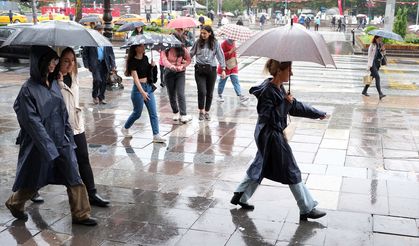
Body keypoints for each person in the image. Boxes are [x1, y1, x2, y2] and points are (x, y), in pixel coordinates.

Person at [5, 46, 97, 226]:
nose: (53, 65)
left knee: (73, 174)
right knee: (35, 179)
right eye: (50, 62)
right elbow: (33, 124)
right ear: (39, 64)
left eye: (54, 61)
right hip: (40, 145)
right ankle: (15, 203)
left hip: (61, 140)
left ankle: (81, 214)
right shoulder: (27, 90)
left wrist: (68, 136)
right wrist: (48, 147)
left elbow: (62, 112)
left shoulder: (54, 83)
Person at [231, 60, 328, 221]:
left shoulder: (278, 88)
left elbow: (295, 107)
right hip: (270, 135)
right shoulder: (268, 91)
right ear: (279, 72)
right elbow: (269, 116)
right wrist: (285, 103)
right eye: (289, 70)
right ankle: (307, 208)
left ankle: (240, 195)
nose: (291, 73)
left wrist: (317, 113)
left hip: (268, 134)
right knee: (291, 170)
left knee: (260, 164)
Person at [54, 47, 110, 207]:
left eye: (72, 60)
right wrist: (57, 80)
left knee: (83, 159)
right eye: (66, 61)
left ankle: (92, 194)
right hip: (61, 129)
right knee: (48, 163)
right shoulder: (52, 81)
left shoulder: (74, 76)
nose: (70, 64)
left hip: (77, 125)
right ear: (58, 61)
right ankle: (27, 193)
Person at [121, 44, 166, 143]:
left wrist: (153, 67)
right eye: (141, 46)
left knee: (153, 113)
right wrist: (142, 92)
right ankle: (125, 128)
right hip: (138, 90)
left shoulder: (145, 58)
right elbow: (136, 79)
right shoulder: (132, 61)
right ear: (136, 48)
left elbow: (151, 76)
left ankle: (156, 135)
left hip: (149, 88)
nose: (144, 47)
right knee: (137, 113)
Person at [190, 25, 226, 121]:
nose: (203, 35)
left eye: (205, 33)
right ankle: (201, 111)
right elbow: (191, 53)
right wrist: (184, 59)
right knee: (202, 91)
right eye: (201, 33)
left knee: (209, 92)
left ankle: (207, 112)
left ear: (210, 33)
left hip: (211, 70)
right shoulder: (198, 42)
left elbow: (220, 55)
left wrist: (223, 69)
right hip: (199, 70)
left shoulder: (215, 43)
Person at [161, 31, 192, 123]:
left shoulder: (182, 49)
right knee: (171, 94)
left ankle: (183, 114)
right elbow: (164, 60)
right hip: (169, 73)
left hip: (180, 74)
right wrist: (171, 66)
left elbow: (189, 60)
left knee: (180, 93)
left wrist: (183, 66)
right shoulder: (165, 49)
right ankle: (175, 112)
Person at [82, 25, 116, 105]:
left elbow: (111, 54)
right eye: (98, 30)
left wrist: (113, 65)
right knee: (98, 80)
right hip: (95, 64)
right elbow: (85, 54)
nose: (100, 32)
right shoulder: (90, 42)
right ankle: (95, 95)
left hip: (104, 63)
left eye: (101, 30)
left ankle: (101, 97)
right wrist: (87, 65)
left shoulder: (106, 40)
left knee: (103, 81)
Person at [216, 38, 248, 103]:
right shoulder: (224, 44)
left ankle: (240, 95)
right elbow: (220, 55)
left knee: (235, 80)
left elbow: (234, 53)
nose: (234, 39)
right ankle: (219, 95)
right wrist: (230, 52)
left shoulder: (233, 42)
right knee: (222, 81)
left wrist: (235, 51)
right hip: (225, 66)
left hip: (233, 65)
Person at [363, 35, 386, 100]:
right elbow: (369, 55)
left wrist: (383, 50)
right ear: (376, 38)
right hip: (372, 64)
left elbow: (383, 54)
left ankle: (364, 91)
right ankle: (380, 93)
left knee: (371, 77)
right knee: (377, 77)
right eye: (380, 38)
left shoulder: (380, 44)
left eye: (381, 38)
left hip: (377, 64)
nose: (381, 39)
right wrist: (369, 65)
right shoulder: (372, 45)